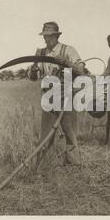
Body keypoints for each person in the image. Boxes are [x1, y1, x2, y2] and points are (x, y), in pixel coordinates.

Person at [28, 21, 85, 168]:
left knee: (70, 133)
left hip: (66, 97)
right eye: (45, 36)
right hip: (48, 98)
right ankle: (42, 167)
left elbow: (81, 70)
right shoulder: (41, 53)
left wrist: (66, 62)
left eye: (49, 36)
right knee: (46, 135)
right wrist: (34, 67)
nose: (46, 39)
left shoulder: (68, 50)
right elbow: (33, 77)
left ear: (56, 36)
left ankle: (74, 165)